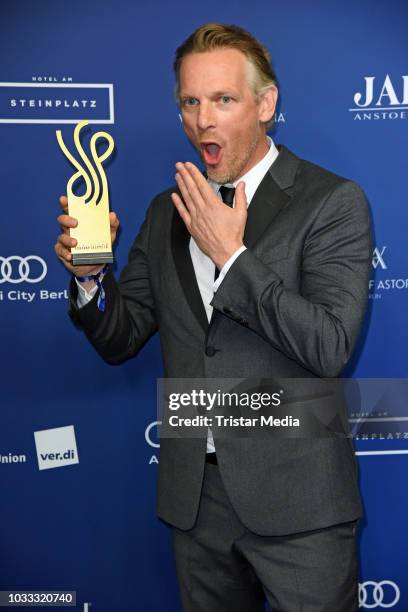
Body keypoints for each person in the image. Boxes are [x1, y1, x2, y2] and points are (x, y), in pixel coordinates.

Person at [55, 23, 372, 612]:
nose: (203, 119)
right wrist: (90, 279)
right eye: (190, 101)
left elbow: (329, 344)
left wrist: (232, 257)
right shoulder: (167, 210)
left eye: (223, 100)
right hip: (196, 504)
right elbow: (122, 336)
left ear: (266, 104)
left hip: (300, 505)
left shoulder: (332, 202)